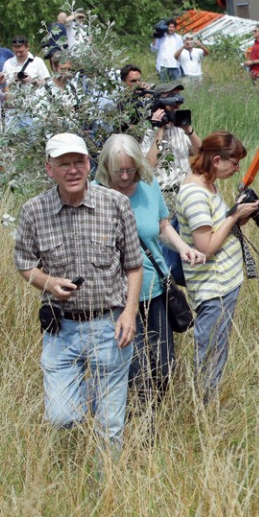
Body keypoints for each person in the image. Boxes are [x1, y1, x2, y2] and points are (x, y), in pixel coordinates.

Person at [13, 132, 143, 449]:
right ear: (49, 169)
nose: (72, 170)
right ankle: (95, 394)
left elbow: (134, 265)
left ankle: (107, 493)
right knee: (62, 416)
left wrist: (129, 312)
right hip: (62, 330)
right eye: (63, 164)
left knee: (110, 429)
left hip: (108, 326)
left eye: (77, 163)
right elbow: (24, 263)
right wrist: (48, 282)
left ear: (88, 164)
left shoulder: (115, 204)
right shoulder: (34, 211)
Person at [95, 134, 205, 414]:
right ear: (106, 166)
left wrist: (183, 248)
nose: (124, 175)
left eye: (129, 169)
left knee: (164, 364)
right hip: (117, 297)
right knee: (137, 367)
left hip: (155, 289)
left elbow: (162, 225)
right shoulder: (94, 193)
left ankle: (154, 415)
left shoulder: (148, 184)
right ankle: (142, 426)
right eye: (118, 169)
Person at [175, 131, 259, 402]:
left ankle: (208, 402)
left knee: (217, 348)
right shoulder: (195, 194)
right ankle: (204, 406)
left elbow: (217, 227)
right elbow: (206, 247)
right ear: (216, 160)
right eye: (234, 163)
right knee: (211, 350)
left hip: (224, 282)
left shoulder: (208, 185)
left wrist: (240, 213)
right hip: (212, 286)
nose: (237, 169)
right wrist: (235, 214)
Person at [141, 83, 201, 196]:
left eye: (178, 95)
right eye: (171, 96)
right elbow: (148, 166)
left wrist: (188, 130)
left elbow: (200, 153)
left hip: (185, 191)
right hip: (164, 193)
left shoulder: (181, 128)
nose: (176, 102)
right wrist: (160, 130)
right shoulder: (149, 130)